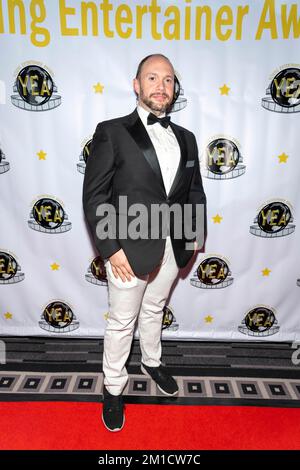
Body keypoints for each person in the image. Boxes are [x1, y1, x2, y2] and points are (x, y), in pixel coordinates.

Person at [82, 54, 206, 432]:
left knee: (155, 309)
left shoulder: (187, 138)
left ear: (174, 89)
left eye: (168, 80)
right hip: (127, 248)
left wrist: (193, 239)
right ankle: (113, 389)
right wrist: (110, 249)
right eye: (152, 78)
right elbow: (95, 197)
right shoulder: (112, 131)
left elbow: (194, 193)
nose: (160, 86)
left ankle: (152, 361)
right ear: (137, 85)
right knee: (122, 322)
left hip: (172, 245)